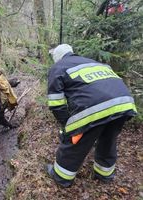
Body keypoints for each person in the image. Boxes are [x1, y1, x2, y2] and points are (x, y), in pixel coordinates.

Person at [46, 44, 137, 187]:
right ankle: (104, 175)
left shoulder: (58, 67)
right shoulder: (91, 62)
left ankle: (61, 177)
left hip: (96, 107)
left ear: (56, 58)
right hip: (124, 103)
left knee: (76, 141)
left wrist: (67, 125)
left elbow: (56, 103)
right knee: (108, 139)